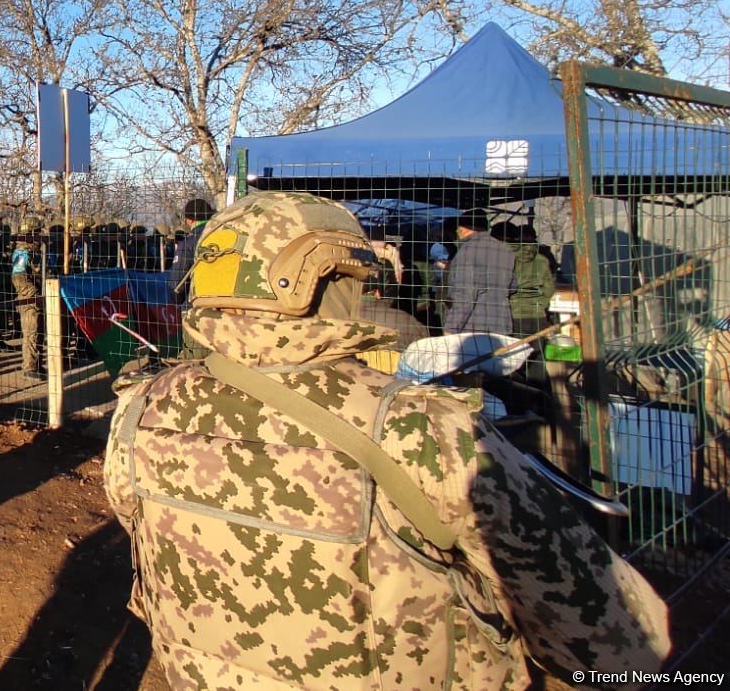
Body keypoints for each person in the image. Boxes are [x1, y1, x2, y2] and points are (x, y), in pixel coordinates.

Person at [104, 191, 668, 689]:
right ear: (324, 281)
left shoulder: (144, 406)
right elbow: (621, 641)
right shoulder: (420, 428)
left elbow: (137, 529)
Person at [445, 208, 516, 335]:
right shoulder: (505, 250)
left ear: (465, 227)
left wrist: (451, 329)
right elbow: (513, 286)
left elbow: (464, 295)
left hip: (472, 328)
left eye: (458, 227)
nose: (456, 231)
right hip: (501, 324)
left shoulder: (466, 252)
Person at [12, 216, 45, 380]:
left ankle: (37, 363)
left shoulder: (34, 251)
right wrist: (34, 294)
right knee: (31, 333)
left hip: (37, 297)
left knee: (39, 332)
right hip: (29, 299)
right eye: (38, 231)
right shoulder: (22, 252)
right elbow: (18, 278)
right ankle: (29, 366)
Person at [166, 197, 214, 304]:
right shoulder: (223, 236)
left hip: (197, 304)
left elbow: (177, 284)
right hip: (227, 300)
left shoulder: (188, 244)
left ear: (190, 220)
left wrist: (174, 300)